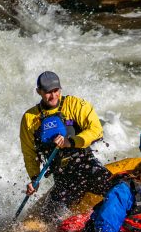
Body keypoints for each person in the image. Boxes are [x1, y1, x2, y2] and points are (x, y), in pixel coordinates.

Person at [19, 71, 111, 218]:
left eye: (56, 91)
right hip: (63, 177)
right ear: (39, 92)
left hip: (86, 166)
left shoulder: (75, 105)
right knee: (48, 219)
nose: (53, 96)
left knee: (114, 189)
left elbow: (96, 130)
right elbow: (29, 153)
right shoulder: (30, 118)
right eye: (48, 92)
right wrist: (34, 179)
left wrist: (71, 141)